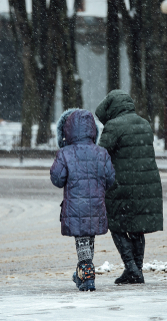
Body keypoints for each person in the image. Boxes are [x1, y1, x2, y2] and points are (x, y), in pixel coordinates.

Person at [95, 90, 163, 284]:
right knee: (136, 228)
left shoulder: (114, 126)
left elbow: (101, 155)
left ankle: (132, 268)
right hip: (147, 185)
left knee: (115, 225)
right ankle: (137, 269)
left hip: (122, 185)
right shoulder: (144, 123)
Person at [50, 109, 115, 291]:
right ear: (92, 130)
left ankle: (87, 273)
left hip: (75, 205)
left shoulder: (65, 153)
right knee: (88, 236)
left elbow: (57, 179)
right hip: (96, 205)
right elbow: (110, 179)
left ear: (67, 131)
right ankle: (82, 271)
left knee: (82, 237)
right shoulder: (101, 153)